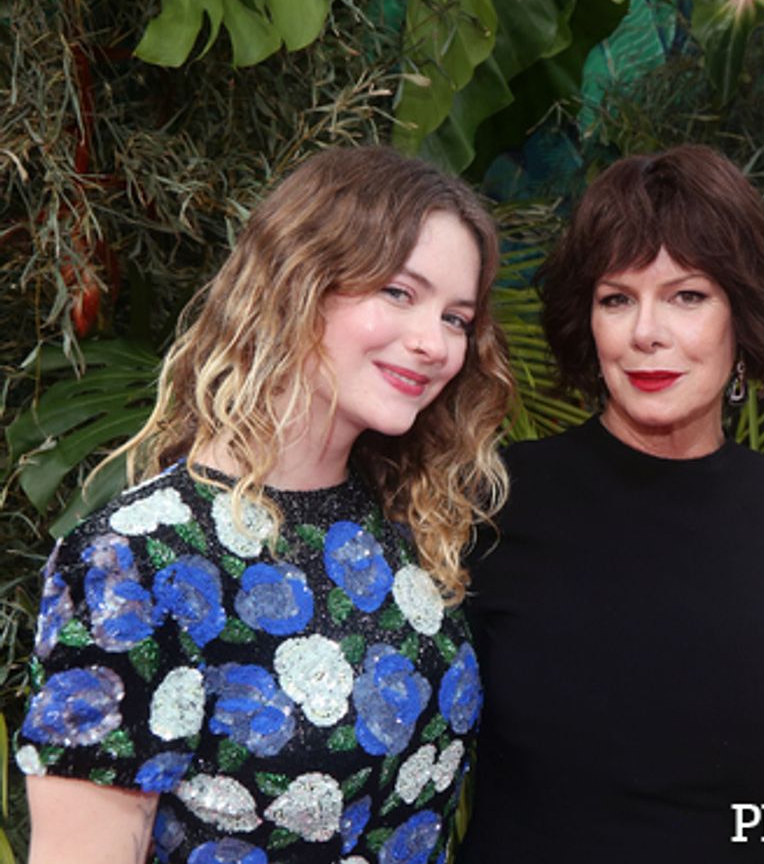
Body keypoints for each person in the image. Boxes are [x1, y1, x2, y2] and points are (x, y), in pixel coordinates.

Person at [17, 145, 514, 864]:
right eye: (400, 293)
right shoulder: (137, 558)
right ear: (298, 280)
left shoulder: (408, 522)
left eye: (457, 317)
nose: (432, 342)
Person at [461, 144, 764, 863]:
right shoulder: (496, 498)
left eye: (687, 295)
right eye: (617, 298)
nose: (647, 332)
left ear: (744, 313)